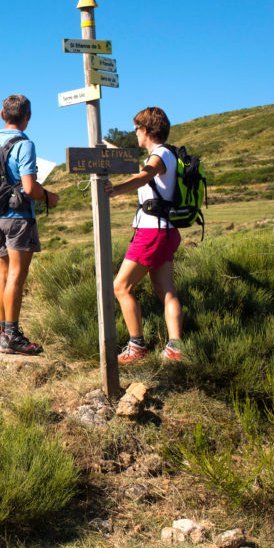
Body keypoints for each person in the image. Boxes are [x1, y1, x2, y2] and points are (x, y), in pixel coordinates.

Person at [0, 94, 59, 355]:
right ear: (28, 117)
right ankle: (12, 335)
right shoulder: (26, 145)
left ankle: (4, 334)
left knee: (2, 275)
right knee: (16, 278)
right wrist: (49, 197)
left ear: (2, 115)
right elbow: (29, 187)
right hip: (19, 218)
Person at [104, 107, 184, 363]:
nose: (135, 133)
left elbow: (145, 175)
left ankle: (136, 346)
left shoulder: (159, 155)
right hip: (167, 230)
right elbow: (145, 173)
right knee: (166, 291)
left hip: (151, 232)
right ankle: (174, 349)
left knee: (121, 287)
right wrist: (111, 149)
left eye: (137, 129)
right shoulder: (167, 155)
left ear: (146, 130)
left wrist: (116, 190)